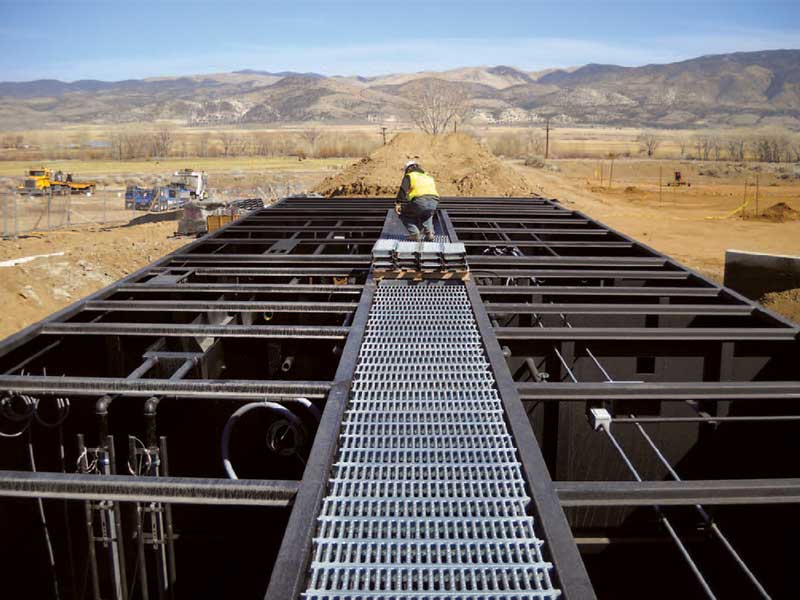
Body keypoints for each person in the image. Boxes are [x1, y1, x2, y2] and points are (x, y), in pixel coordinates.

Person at [395, 161, 439, 241]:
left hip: (420, 201)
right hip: (434, 201)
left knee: (403, 213)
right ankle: (430, 233)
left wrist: (398, 203)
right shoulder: (428, 177)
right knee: (427, 214)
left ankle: (414, 234)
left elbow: (403, 189)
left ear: (408, 169)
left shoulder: (410, 176)